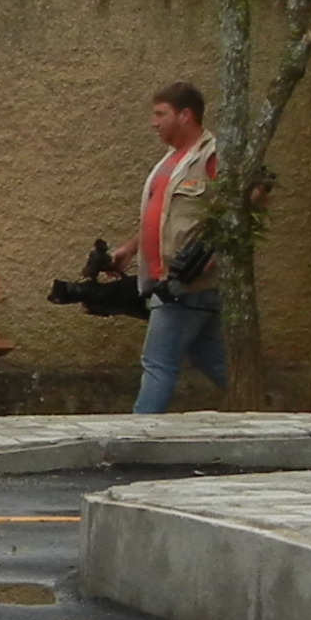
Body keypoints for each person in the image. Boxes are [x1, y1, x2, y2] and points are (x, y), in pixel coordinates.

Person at [129, 82, 225, 414]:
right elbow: (163, 217)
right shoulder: (171, 161)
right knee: (212, 359)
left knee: (158, 363)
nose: (153, 122)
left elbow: (243, 205)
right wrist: (128, 251)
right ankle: (264, 406)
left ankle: (137, 438)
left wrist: (209, 256)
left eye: (160, 114)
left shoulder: (212, 158)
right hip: (162, 280)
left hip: (187, 282)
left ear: (186, 115)